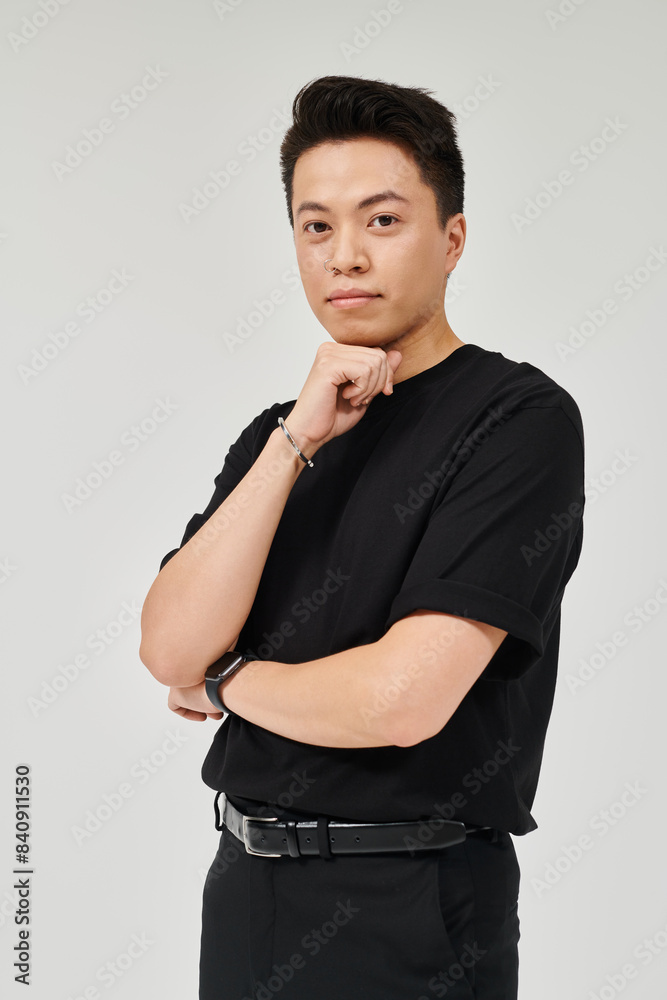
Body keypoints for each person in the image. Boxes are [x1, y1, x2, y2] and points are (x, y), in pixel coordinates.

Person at [139, 74, 586, 1000]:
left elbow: (399, 700)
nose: (344, 256)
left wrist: (227, 680)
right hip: (245, 887)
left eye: (381, 221)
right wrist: (295, 440)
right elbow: (166, 645)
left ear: (451, 239)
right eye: (315, 226)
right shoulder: (280, 433)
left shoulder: (516, 419)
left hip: (412, 902)